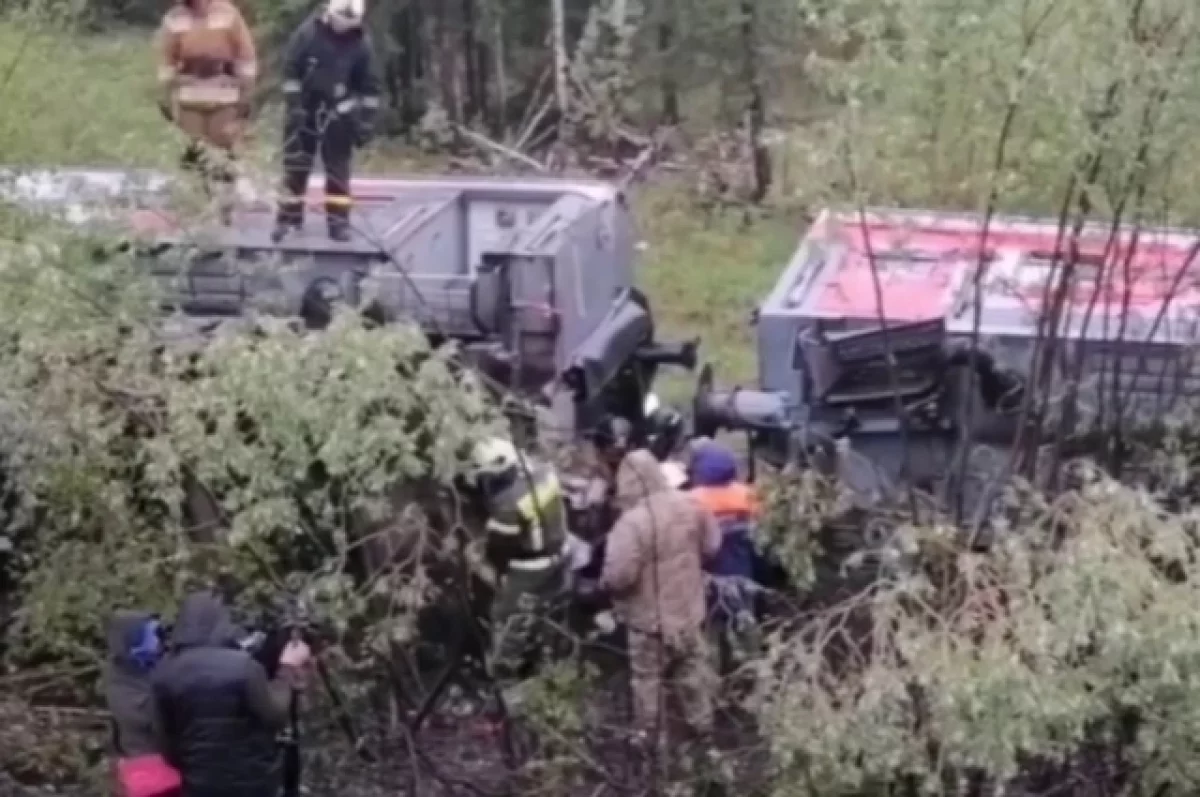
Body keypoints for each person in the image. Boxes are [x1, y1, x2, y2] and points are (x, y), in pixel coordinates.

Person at [600, 448, 722, 746]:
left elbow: (619, 576)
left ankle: (647, 734)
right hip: (690, 609)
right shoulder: (692, 505)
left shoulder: (632, 524)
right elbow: (712, 547)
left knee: (646, 679)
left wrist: (603, 586)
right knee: (693, 668)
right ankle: (703, 727)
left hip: (648, 620)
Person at [150, 591, 310, 797]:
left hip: (199, 785)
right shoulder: (244, 667)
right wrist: (287, 668)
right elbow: (276, 714)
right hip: (253, 781)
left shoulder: (164, 673)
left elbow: (165, 743)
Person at [469, 437, 569, 707]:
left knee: (506, 620)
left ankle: (509, 690)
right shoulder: (544, 471)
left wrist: (480, 564)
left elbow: (499, 554)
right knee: (546, 617)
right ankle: (550, 671)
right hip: (561, 555)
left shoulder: (505, 508)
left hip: (531, 568)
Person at [272, 0, 382, 242]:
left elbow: (370, 87)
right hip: (304, 110)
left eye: (348, 24)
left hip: (338, 114)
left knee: (338, 172)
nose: (342, 28)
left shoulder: (361, 43)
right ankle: (288, 220)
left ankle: (338, 224)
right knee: (295, 167)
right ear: (330, 15)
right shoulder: (308, 34)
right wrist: (294, 105)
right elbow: (290, 69)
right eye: (339, 22)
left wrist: (365, 123)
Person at [154, 0, 257, 215]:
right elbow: (166, 58)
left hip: (224, 94)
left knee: (223, 149)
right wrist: (164, 90)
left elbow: (244, 53)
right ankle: (198, 204)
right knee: (194, 151)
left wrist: (246, 89)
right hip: (189, 95)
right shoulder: (175, 18)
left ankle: (225, 204)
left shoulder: (228, 14)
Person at [687, 440, 763, 674]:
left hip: (707, 578)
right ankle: (748, 677)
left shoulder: (692, 501)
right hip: (742, 574)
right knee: (744, 626)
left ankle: (712, 682)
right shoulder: (749, 496)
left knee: (709, 632)